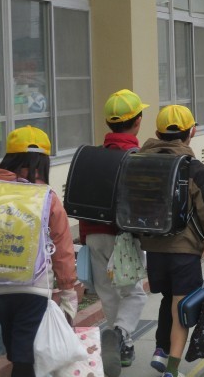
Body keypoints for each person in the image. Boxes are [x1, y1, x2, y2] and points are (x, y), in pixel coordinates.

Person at [138, 105, 204, 377]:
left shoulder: (141, 163)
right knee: (181, 307)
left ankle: (160, 350)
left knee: (168, 297)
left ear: (157, 134)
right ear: (192, 132)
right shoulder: (193, 169)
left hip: (153, 250)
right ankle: (172, 369)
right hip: (184, 251)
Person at [0, 126, 78, 377]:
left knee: (15, 343)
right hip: (33, 285)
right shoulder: (46, 196)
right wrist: (68, 290)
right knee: (25, 353)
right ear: (43, 162)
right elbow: (62, 247)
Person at [80, 89, 149, 376]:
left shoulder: (94, 156)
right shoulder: (136, 157)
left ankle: (122, 345)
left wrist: (85, 237)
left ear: (109, 123)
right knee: (134, 293)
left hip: (93, 235)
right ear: (138, 121)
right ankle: (119, 333)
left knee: (108, 294)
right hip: (124, 237)